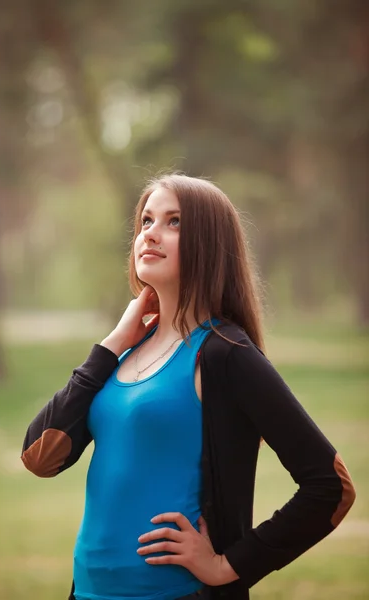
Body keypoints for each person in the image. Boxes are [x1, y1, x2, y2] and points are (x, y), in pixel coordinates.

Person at [21, 173, 356, 600]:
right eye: (146, 221)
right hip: (88, 591)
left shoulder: (225, 353)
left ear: (209, 244)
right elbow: (39, 458)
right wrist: (108, 347)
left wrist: (227, 566)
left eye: (174, 222)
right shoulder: (125, 351)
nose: (151, 234)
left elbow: (330, 487)